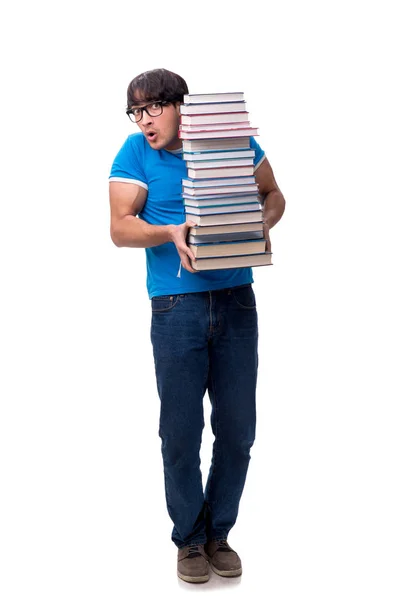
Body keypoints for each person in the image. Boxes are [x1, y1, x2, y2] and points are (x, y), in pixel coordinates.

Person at [109, 68, 285, 584]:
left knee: (236, 431)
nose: (144, 121)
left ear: (182, 105)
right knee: (180, 434)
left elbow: (274, 195)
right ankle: (189, 539)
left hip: (237, 302)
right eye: (135, 111)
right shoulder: (135, 153)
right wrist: (168, 229)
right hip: (175, 307)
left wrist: (261, 223)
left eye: (153, 108)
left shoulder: (231, 141)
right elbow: (119, 227)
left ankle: (219, 533)